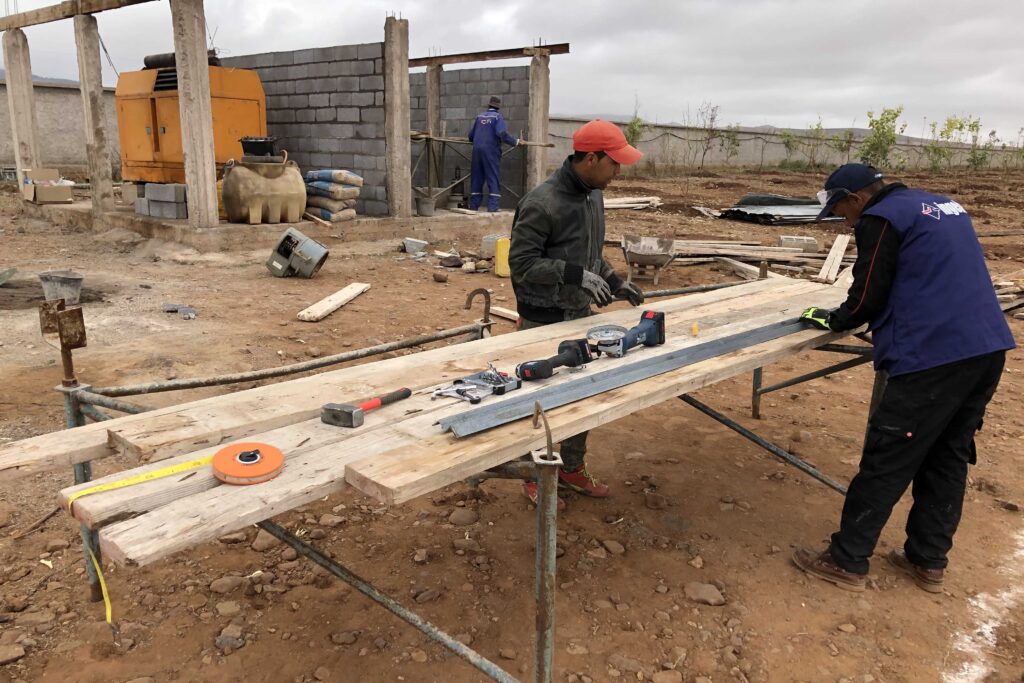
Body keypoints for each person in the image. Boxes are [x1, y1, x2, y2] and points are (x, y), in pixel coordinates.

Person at [792, 163, 1015, 593]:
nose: (845, 221)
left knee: (889, 455)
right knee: (947, 455)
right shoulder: (943, 205)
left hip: (934, 356)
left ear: (855, 198)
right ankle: (928, 560)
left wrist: (831, 319)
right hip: (985, 347)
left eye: (841, 211)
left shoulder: (881, 217)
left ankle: (847, 560)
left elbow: (867, 295)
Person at [508, 119, 646, 506]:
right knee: (540, 400)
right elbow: (521, 263)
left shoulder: (592, 195)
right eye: (614, 163)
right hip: (542, 318)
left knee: (581, 395)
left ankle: (570, 468)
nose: (619, 171)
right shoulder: (542, 203)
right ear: (590, 158)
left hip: (578, 313)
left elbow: (587, 255)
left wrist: (613, 280)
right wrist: (572, 274)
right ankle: (535, 473)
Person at [467, 96, 519, 212]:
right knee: (493, 176)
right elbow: (501, 133)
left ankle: (474, 206)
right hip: (490, 151)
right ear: (498, 107)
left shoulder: (479, 117)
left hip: (476, 151)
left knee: (477, 177)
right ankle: (493, 207)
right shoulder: (497, 117)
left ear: (489, 105)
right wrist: (515, 141)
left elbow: (470, 136)